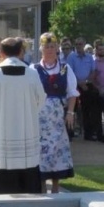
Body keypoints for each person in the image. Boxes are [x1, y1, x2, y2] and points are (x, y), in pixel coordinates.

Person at [0, 37, 46, 194]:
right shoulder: (32, 74)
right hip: (26, 133)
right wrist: (29, 115)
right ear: (21, 52)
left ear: (1, 53)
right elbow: (41, 99)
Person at [33, 34, 78, 193]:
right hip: (39, 116)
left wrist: (70, 112)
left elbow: (72, 92)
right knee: (41, 149)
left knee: (57, 149)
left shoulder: (65, 68)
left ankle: (56, 186)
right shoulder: (34, 69)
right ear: (41, 50)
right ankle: (42, 185)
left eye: (52, 47)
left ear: (57, 49)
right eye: (47, 47)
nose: (50, 50)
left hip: (58, 116)